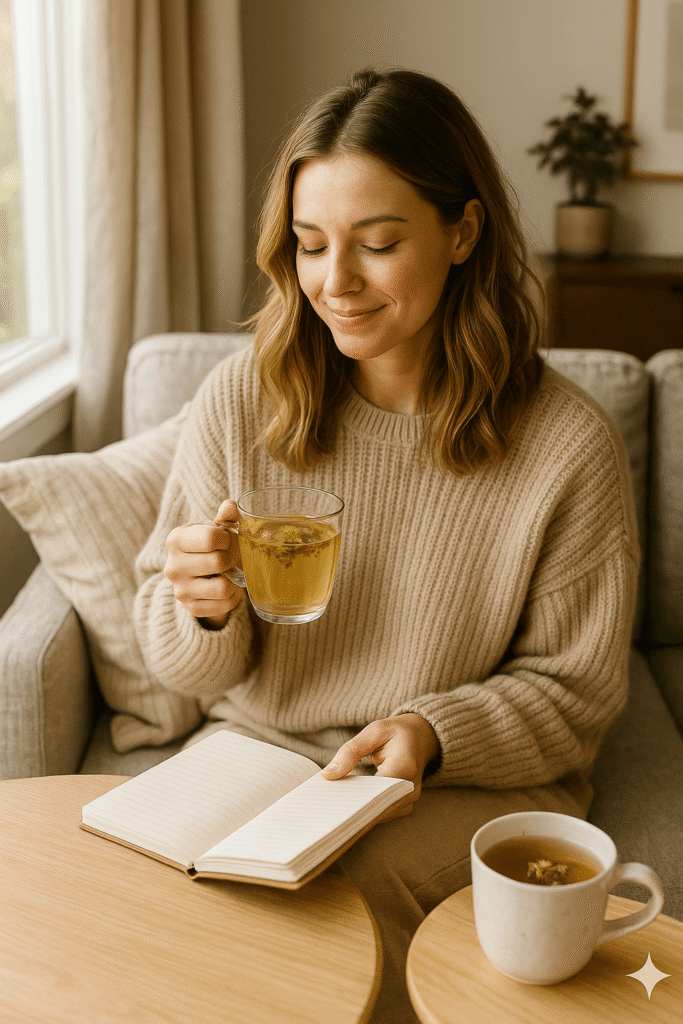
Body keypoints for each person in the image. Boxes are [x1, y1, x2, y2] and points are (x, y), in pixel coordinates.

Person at [134, 68, 639, 1023]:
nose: (336, 283)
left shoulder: (566, 445)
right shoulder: (242, 401)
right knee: (153, 914)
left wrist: (430, 733)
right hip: (256, 755)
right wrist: (197, 604)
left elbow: (574, 695)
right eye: (310, 245)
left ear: (463, 233)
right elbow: (184, 667)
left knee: (328, 918)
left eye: (377, 244)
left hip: (452, 782)